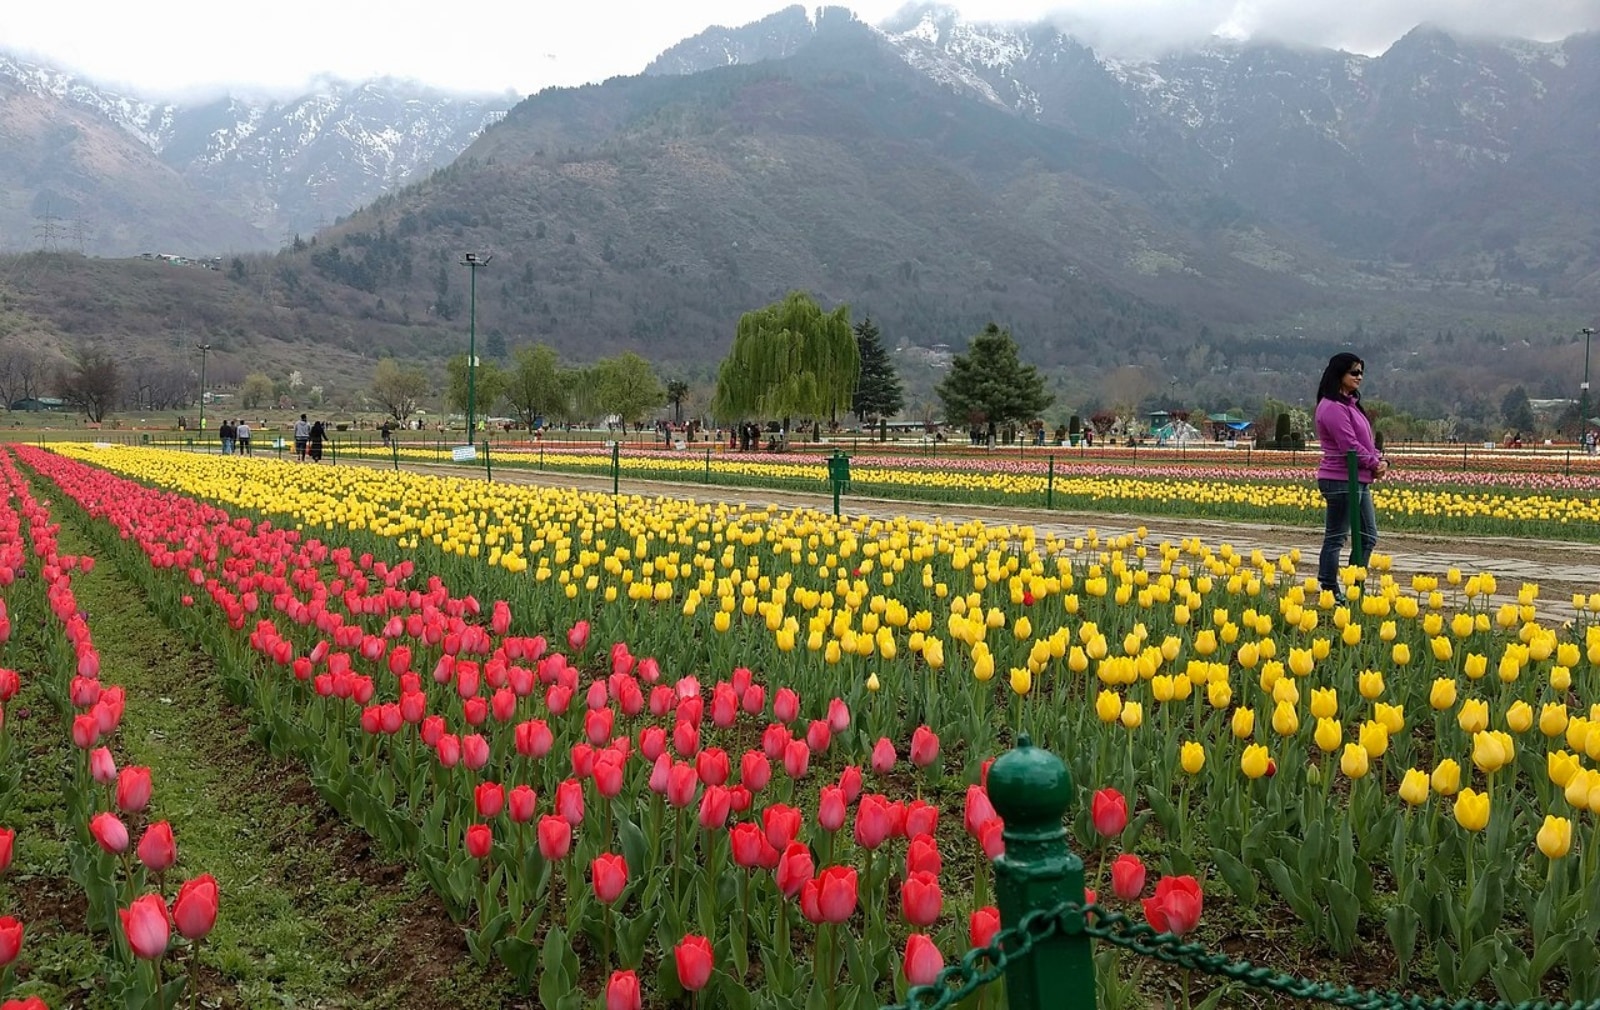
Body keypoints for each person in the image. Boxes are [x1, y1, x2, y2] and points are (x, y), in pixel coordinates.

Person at [1314, 352, 1388, 600]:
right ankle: (1329, 589)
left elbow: (1364, 442)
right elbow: (1350, 446)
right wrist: (1374, 462)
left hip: (1358, 478)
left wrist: (1378, 459)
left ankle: (1355, 586)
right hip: (1340, 479)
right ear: (1339, 374)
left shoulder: (1350, 405)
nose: (1360, 376)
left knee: (1368, 536)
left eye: (1361, 372)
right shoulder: (1332, 407)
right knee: (1336, 537)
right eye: (1354, 372)